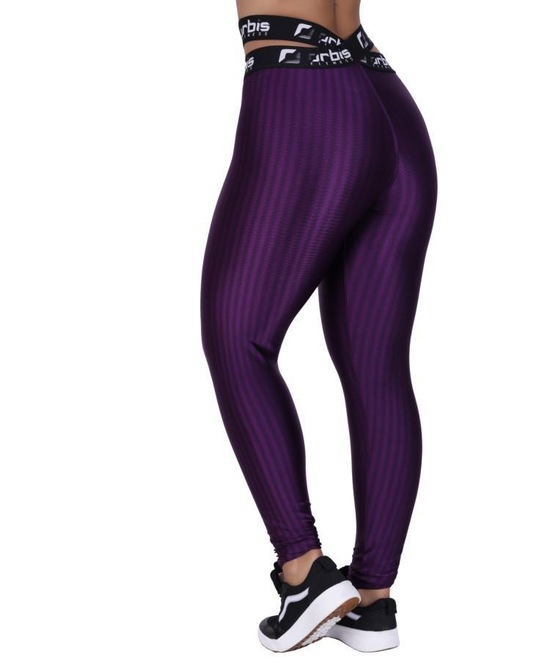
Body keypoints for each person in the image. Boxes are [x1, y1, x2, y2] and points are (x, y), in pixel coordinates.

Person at [200, 0, 438, 652]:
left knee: (236, 332)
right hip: (382, 96)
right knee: (377, 368)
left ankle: (303, 570)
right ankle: (372, 599)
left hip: (305, 97)